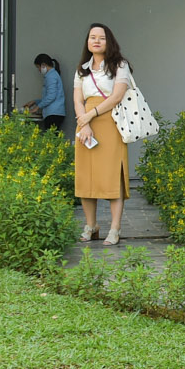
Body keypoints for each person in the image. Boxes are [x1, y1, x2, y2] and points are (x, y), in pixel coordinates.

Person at [73, 23, 133, 245]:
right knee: (86, 176)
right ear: (87, 42)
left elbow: (117, 96)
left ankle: (115, 228)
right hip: (85, 124)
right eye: (92, 37)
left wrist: (90, 115)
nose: (96, 41)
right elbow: (77, 99)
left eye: (101, 37)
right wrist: (84, 123)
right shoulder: (82, 69)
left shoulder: (120, 65)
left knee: (112, 176)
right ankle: (91, 225)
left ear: (110, 41)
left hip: (111, 122)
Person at [31, 54, 65, 133]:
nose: (39, 70)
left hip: (53, 114)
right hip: (55, 113)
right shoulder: (52, 75)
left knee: (50, 137)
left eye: (38, 67)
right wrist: (35, 102)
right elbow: (51, 96)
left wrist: (37, 107)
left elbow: (51, 96)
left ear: (43, 65)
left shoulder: (51, 76)